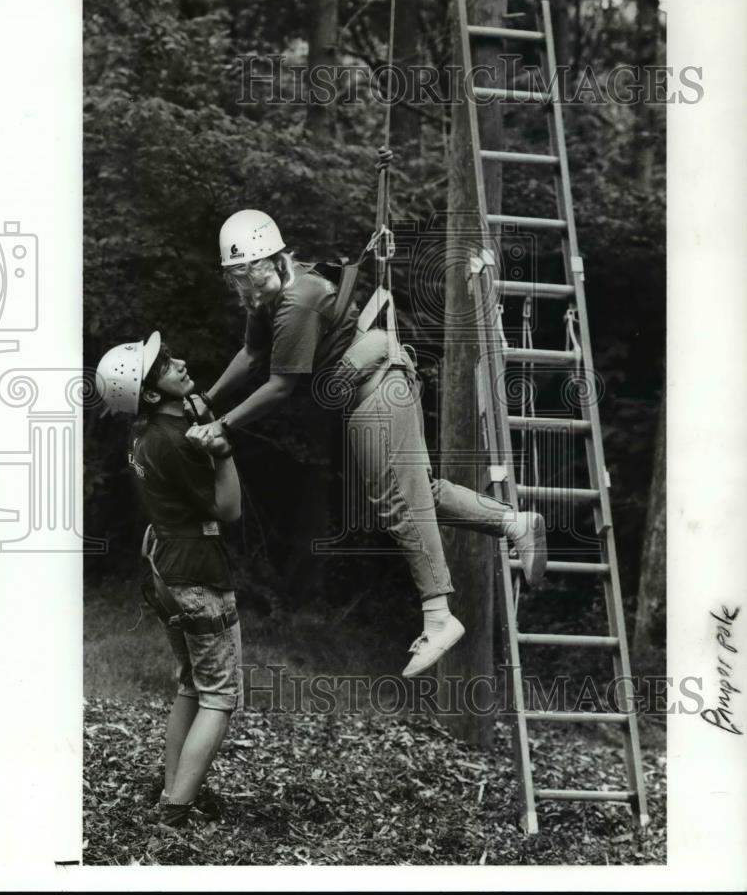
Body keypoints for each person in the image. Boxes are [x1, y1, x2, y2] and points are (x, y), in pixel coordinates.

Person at [194, 209, 547, 678]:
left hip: (377, 388)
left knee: (399, 504)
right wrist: (208, 398)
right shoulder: (270, 300)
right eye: (238, 279)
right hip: (376, 385)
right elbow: (252, 353)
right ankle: (515, 523)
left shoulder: (298, 299)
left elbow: (280, 386)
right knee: (421, 490)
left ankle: (439, 617)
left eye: (252, 275)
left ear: (275, 260)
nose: (248, 288)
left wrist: (224, 425)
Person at [95, 331, 242, 829]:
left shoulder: (144, 433)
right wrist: (222, 452)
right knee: (220, 694)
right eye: (164, 364)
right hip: (197, 570)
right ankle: (175, 809)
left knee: (192, 686)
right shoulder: (179, 445)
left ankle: (174, 788)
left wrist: (199, 416)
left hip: (166, 567)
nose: (178, 361)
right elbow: (230, 509)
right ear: (152, 393)